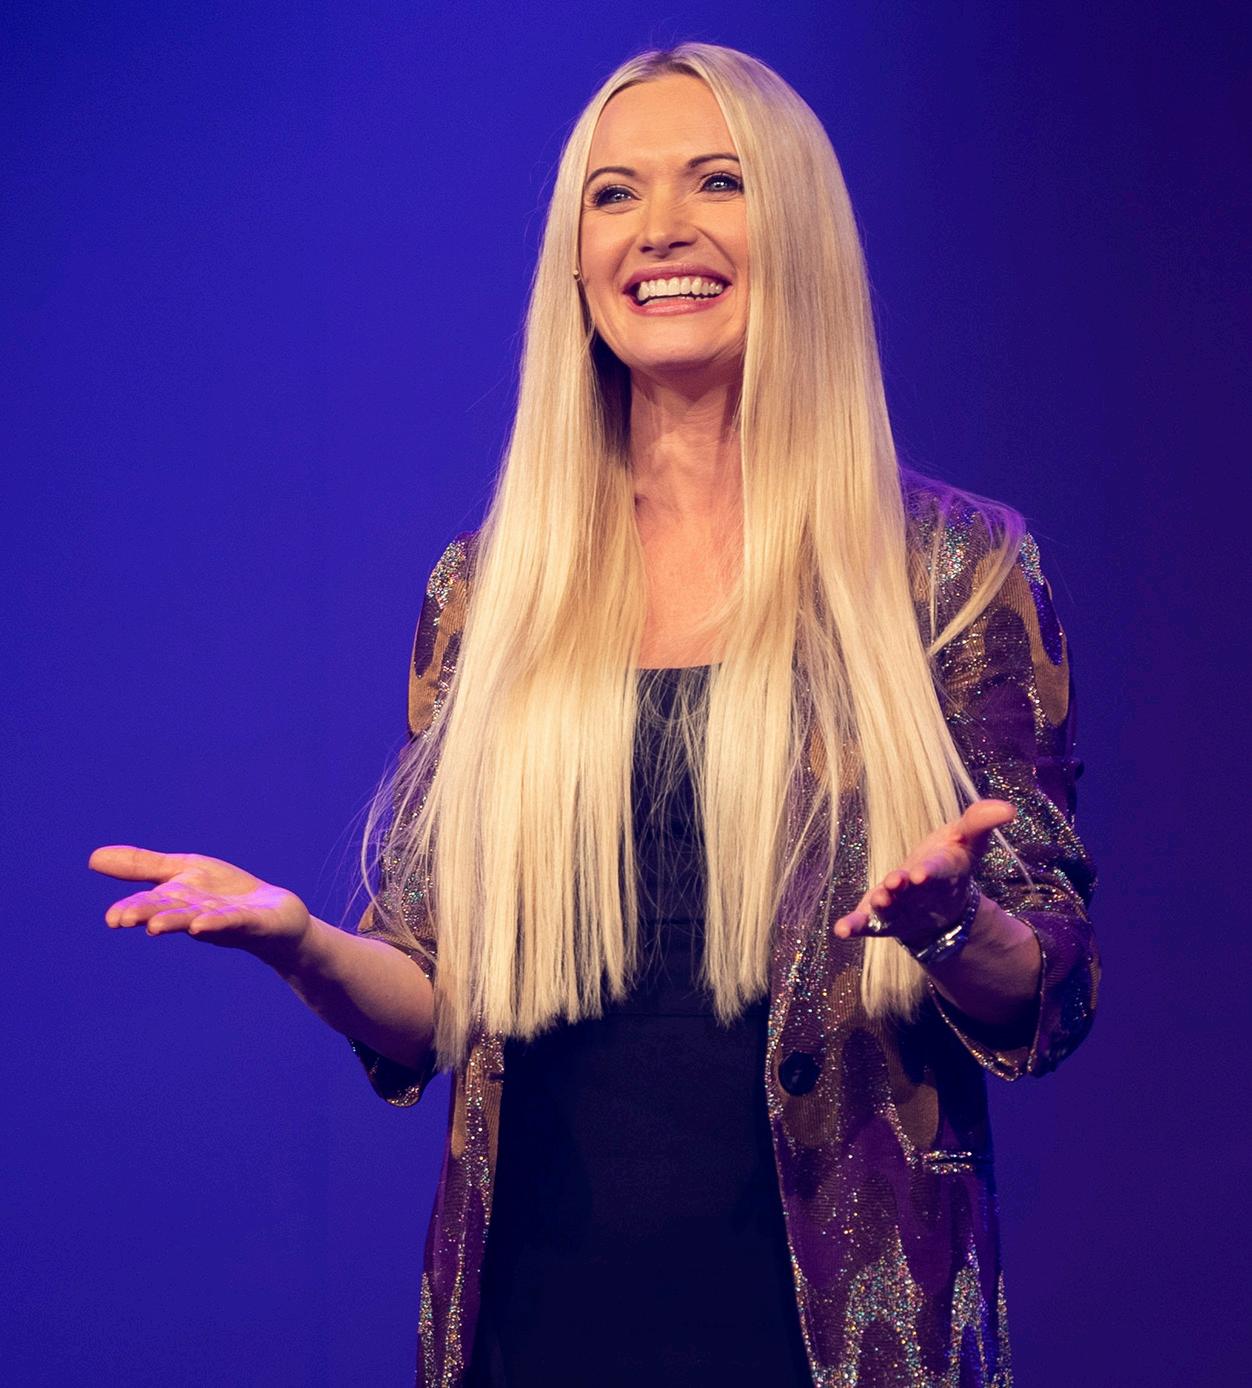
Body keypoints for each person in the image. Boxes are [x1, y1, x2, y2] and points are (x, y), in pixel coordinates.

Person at [90, 42, 1099, 1388]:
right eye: (614, 194)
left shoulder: (954, 573)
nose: (660, 229)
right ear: (575, 259)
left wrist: (951, 922)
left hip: (834, 1344)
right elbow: (433, 996)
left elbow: (1047, 990)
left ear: (800, 228)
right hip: (537, 1329)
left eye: (718, 182)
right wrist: (305, 949)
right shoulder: (489, 592)